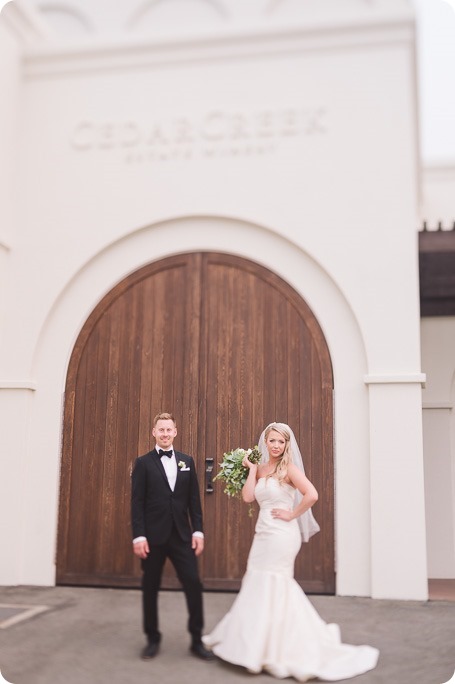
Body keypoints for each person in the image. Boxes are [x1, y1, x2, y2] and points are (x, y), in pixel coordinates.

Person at [203, 422, 379, 681]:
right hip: (263, 532)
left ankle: (278, 646)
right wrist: (251, 470)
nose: (275, 445)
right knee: (256, 578)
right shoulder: (261, 468)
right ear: (265, 442)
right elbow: (248, 498)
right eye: (272, 441)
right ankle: (255, 644)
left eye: (280, 442)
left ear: (286, 445)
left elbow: (312, 494)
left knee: (275, 581)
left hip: (282, 534)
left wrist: (292, 514)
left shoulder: (290, 469)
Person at [131, 412, 213, 661]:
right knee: (150, 587)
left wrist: (197, 530)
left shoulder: (187, 461)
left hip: (181, 535)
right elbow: (137, 503)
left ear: (175, 432)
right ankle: (152, 639)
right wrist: (139, 536)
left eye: (169, 430)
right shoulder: (143, 463)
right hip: (153, 537)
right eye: (161, 430)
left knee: (193, 584)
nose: (165, 434)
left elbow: (194, 501)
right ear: (154, 433)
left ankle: (197, 640)